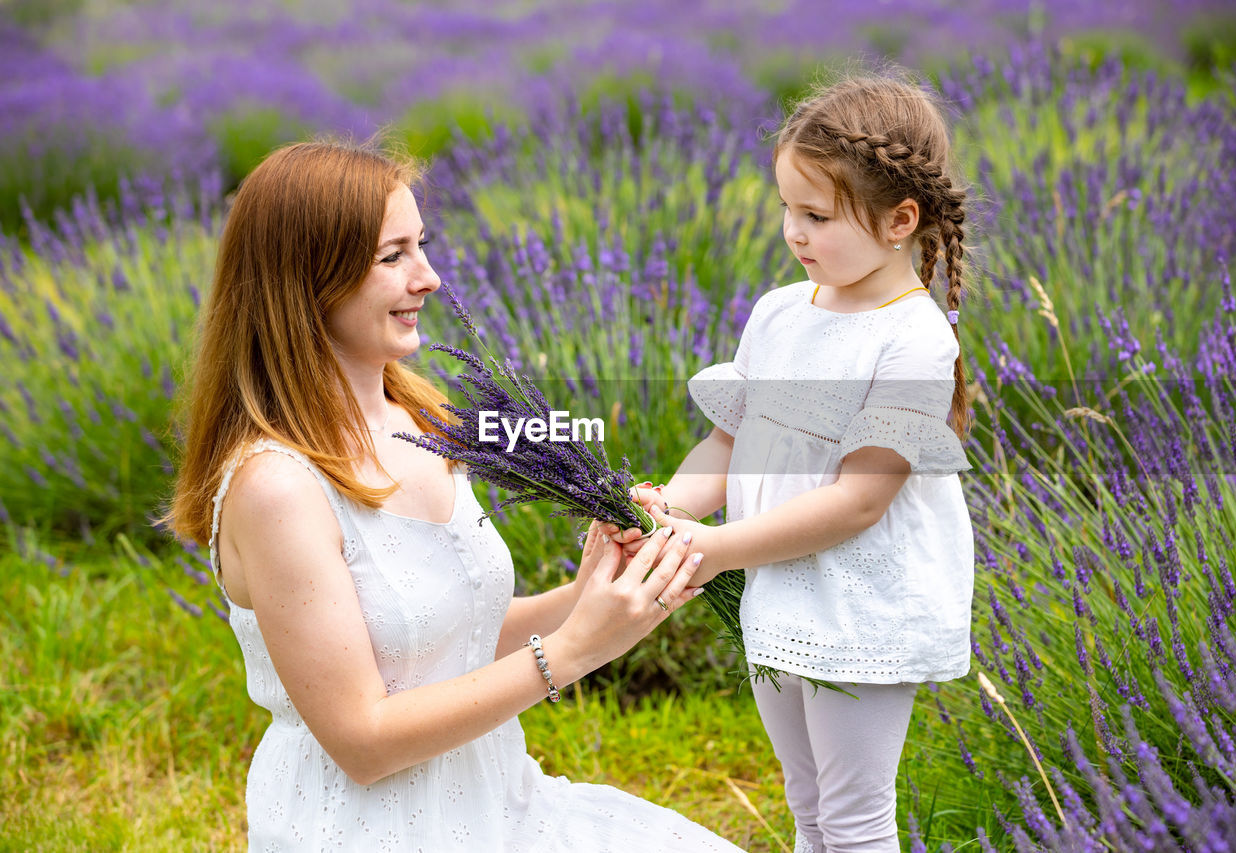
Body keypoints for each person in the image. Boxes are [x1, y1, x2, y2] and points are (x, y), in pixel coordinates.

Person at [167, 140, 742, 852]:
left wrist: (597, 587)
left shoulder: (424, 420)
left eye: (423, 245)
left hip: (499, 800)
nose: (430, 277)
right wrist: (570, 650)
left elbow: (453, 632)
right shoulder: (277, 486)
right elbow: (363, 741)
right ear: (305, 279)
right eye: (392, 256)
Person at [619, 71, 975, 853]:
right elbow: (730, 442)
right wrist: (672, 509)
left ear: (898, 220)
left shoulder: (913, 340)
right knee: (807, 801)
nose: (794, 232)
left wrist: (711, 550)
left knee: (853, 818)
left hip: (863, 609)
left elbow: (857, 503)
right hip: (777, 589)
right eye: (787, 208)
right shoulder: (783, 313)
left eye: (815, 214)